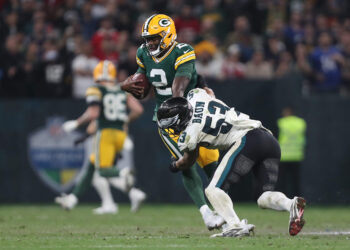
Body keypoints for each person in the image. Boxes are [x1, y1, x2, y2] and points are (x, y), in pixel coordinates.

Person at [120, 14, 224, 230]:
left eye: (154, 38)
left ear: (167, 35)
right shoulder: (142, 53)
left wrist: (189, 93)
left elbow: (179, 86)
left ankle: (227, 216)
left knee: (212, 167)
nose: (149, 43)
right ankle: (207, 214)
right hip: (166, 118)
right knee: (186, 164)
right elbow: (144, 83)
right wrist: (134, 87)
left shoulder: (183, 50)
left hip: (192, 114)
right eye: (147, 39)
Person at [156, 88, 306, 238]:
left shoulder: (189, 134)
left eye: (172, 126)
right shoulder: (196, 95)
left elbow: (189, 161)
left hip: (247, 139)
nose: (172, 130)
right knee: (262, 197)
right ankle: (291, 204)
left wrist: (175, 165)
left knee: (213, 190)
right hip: (269, 139)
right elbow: (208, 91)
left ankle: (235, 225)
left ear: (180, 120)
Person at [55, 60, 145, 214]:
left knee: (103, 171)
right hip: (121, 134)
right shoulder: (122, 89)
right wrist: (124, 120)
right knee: (91, 167)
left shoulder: (95, 89)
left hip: (105, 134)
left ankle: (124, 175)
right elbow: (137, 110)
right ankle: (72, 200)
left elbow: (94, 114)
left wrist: (76, 123)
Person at [276, 107, 307, 197]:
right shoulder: (301, 123)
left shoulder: (282, 122)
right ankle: (298, 201)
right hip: (297, 156)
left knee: (282, 182)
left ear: (287, 113)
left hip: (284, 156)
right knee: (296, 182)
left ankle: (282, 201)